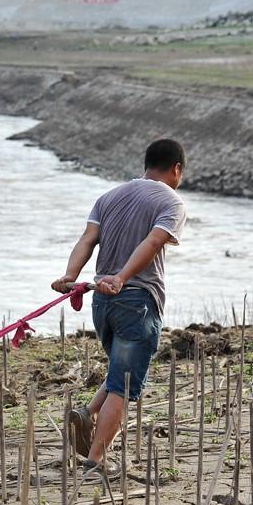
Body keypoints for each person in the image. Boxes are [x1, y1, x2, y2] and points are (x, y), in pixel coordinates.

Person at [51, 139, 187, 478]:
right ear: (176, 170)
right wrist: (123, 277)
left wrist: (71, 275)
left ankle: (87, 413)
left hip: (102, 302)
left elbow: (87, 240)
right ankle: (96, 460)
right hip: (136, 301)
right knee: (125, 387)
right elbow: (153, 242)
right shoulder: (172, 202)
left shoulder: (108, 197)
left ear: (146, 165)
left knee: (118, 375)